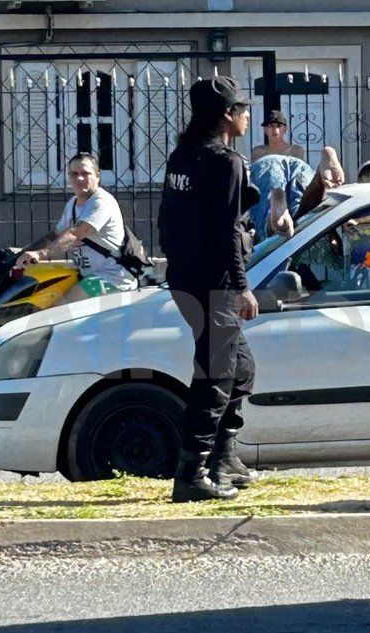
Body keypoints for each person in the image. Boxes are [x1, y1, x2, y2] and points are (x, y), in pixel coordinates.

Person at [157, 76, 260, 502]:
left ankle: (224, 456)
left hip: (184, 277)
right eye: (242, 109)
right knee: (217, 373)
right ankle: (192, 473)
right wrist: (242, 287)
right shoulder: (226, 161)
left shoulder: (183, 156)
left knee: (241, 367)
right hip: (213, 282)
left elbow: (167, 220)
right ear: (226, 117)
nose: (248, 116)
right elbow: (227, 232)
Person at [15, 152, 138, 301]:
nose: (79, 178)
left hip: (113, 278)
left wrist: (40, 254)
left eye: (85, 173)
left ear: (97, 176)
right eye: (74, 174)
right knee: (44, 298)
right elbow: (54, 235)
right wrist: (23, 253)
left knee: (60, 311)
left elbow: (76, 234)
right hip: (87, 274)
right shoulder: (72, 204)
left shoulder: (101, 202)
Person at [252, 146, 345, 240]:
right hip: (299, 169)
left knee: (266, 227)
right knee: (303, 216)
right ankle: (319, 180)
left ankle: (279, 197)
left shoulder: (258, 152)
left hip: (268, 167)